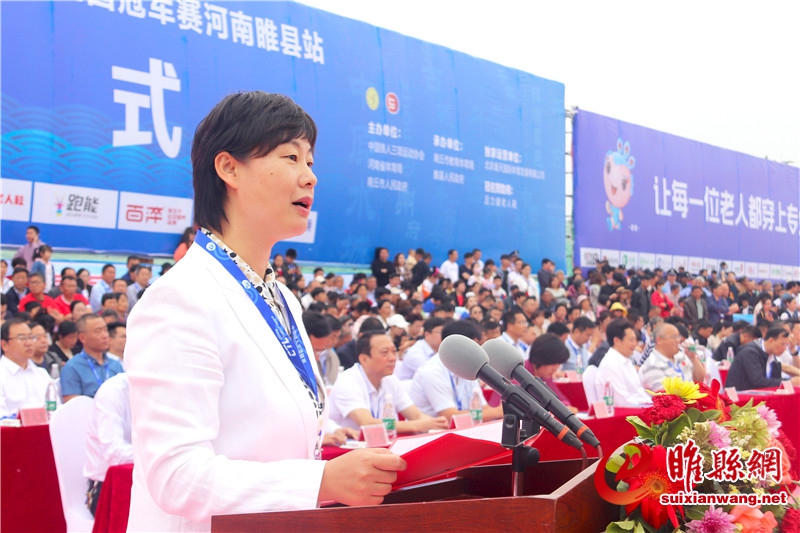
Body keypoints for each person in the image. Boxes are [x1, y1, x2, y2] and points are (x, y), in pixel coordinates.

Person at [125, 92, 406, 532]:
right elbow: (177, 476)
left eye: (310, 161)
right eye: (291, 157)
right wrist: (321, 481)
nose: (309, 176)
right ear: (229, 168)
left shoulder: (284, 299)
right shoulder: (179, 299)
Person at [328, 330, 448, 433]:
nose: (392, 358)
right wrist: (417, 425)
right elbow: (367, 423)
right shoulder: (348, 381)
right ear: (364, 359)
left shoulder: (390, 379)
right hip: (351, 448)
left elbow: (416, 415)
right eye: (384, 352)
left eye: (394, 352)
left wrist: (435, 424)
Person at [409, 320, 503, 422]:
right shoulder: (432, 371)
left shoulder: (469, 367)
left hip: (465, 428)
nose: (478, 353)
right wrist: (498, 412)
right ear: (455, 347)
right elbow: (450, 416)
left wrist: (496, 412)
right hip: (433, 431)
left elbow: (484, 409)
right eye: (473, 348)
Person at [83, 373, 133, 517]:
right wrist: (158, 455)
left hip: (144, 484)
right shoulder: (114, 391)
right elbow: (115, 454)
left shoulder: (163, 391)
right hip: (107, 489)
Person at [61, 314, 124, 401]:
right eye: (98, 331)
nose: (105, 335)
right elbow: (72, 404)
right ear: (82, 338)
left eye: (105, 330)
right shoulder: (72, 367)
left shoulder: (116, 365)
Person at [0, 318, 52, 418]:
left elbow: (54, 407)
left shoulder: (42, 374)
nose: (29, 343)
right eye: (22, 338)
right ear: (4, 345)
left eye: (31, 337)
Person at [594, 318, 652, 407]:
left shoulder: (626, 361)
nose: (635, 344)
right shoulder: (610, 364)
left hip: (638, 407)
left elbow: (639, 392)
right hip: (626, 412)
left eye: (635, 340)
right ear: (616, 341)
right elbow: (622, 402)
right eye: (631, 340)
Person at [726, 326, 800, 391]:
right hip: (740, 396)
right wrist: (789, 382)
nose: (784, 348)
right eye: (783, 344)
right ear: (771, 340)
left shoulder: (770, 354)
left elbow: (783, 369)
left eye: (786, 345)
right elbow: (758, 381)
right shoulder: (750, 352)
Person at [638, 323, 705, 391]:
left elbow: (700, 379)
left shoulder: (681, 356)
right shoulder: (652, 366)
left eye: (678, 337)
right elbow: (664, 395)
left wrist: (693, 358)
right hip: (681, 397)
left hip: (691, 396)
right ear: (659, 340)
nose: (678, 340)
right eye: (674, 337)